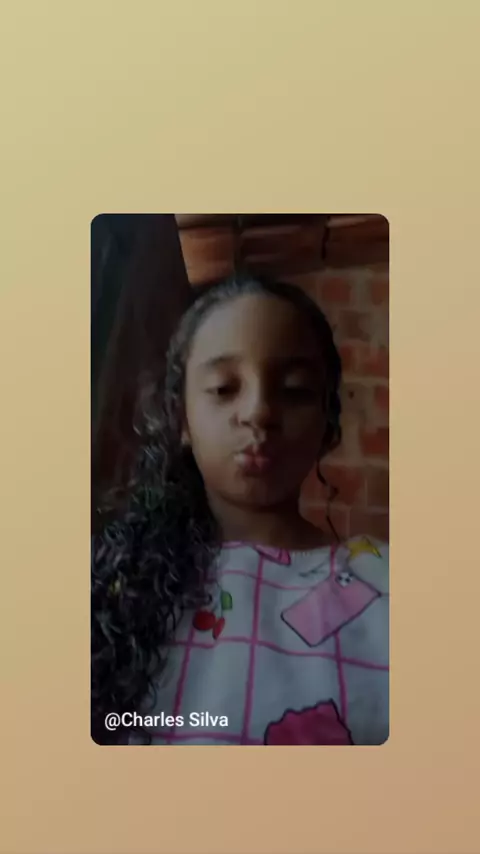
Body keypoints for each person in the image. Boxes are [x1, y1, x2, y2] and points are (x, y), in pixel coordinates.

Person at [91, 275, 389, 746]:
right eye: (224, 387)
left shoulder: (388, 585)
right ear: (181, 418)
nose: (258, 412)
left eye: (294, 389)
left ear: (327, 422)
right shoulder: (112, 582)